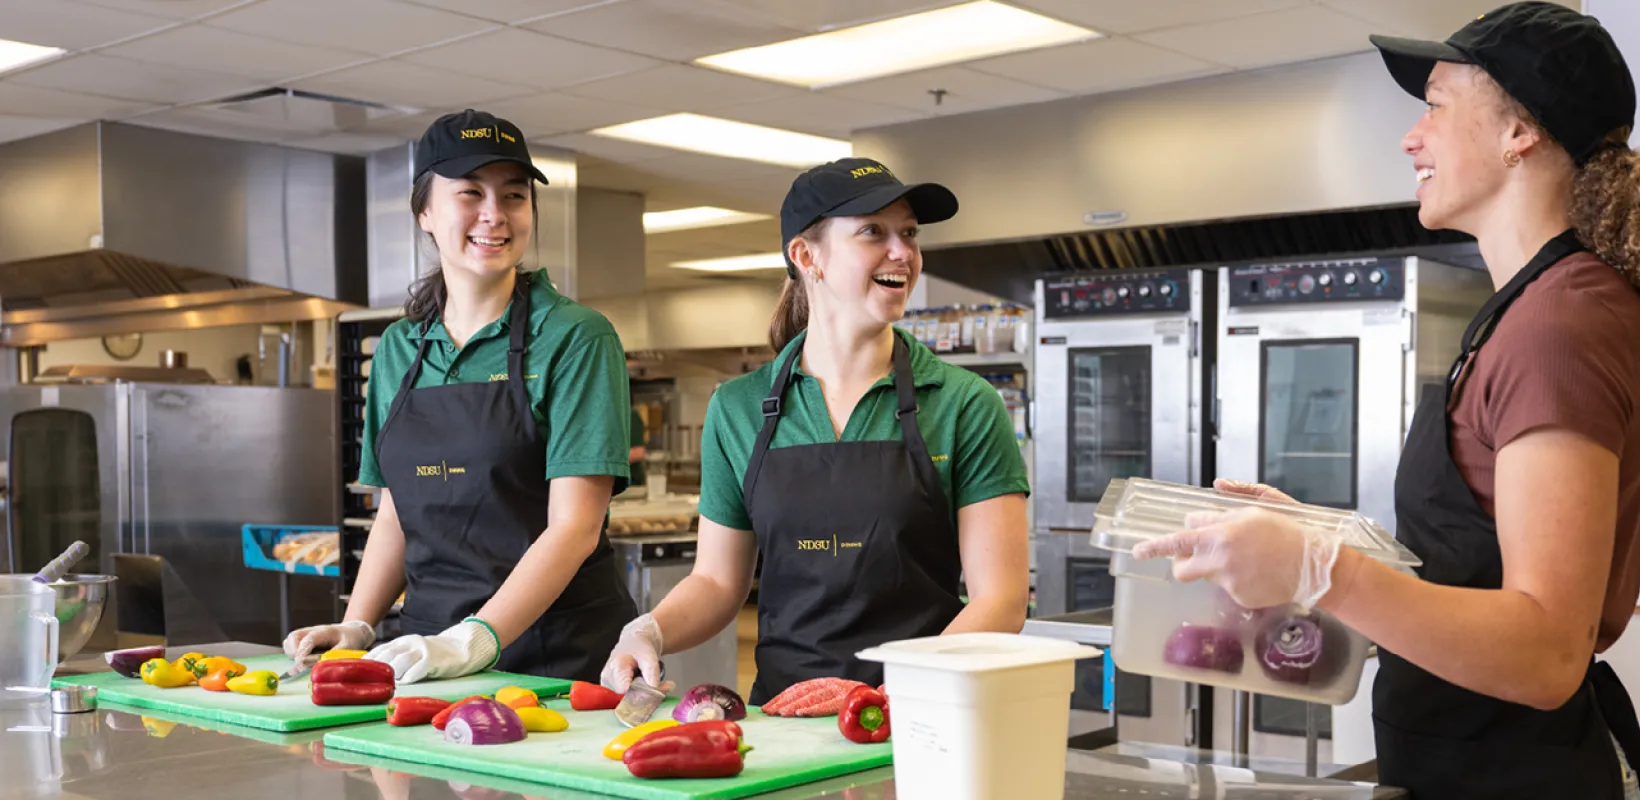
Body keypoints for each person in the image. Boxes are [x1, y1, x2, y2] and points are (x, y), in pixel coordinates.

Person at [1132, 4, 1640, 797]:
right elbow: (1478, 570)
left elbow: (1545, 651)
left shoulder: (1559, 324)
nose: (1411, 137)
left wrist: (1318, 569)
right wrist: (1326, 537)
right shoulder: (1530, 304)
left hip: (1515, 772)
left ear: (1519, 134)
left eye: (1436, 106)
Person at [598, 158, 1031, 702]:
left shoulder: (964, 404)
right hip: (783, 715)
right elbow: (716, 582)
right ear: (807, 256)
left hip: (920, 712)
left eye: (910, 233)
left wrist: (885, 695)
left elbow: (1002, 601)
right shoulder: (739, 408)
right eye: (874, 231)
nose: (902, 252)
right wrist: (650, 630)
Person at [283, 109, 637, 684]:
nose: (494, 215)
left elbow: (574, 527)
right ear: (425, 211)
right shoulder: (399, 347)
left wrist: (475, 640)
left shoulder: (575, 336)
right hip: (423, 650)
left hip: (555, 656)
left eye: (515, 196)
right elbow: (400, 510)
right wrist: (358, 628)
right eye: (470, 193)